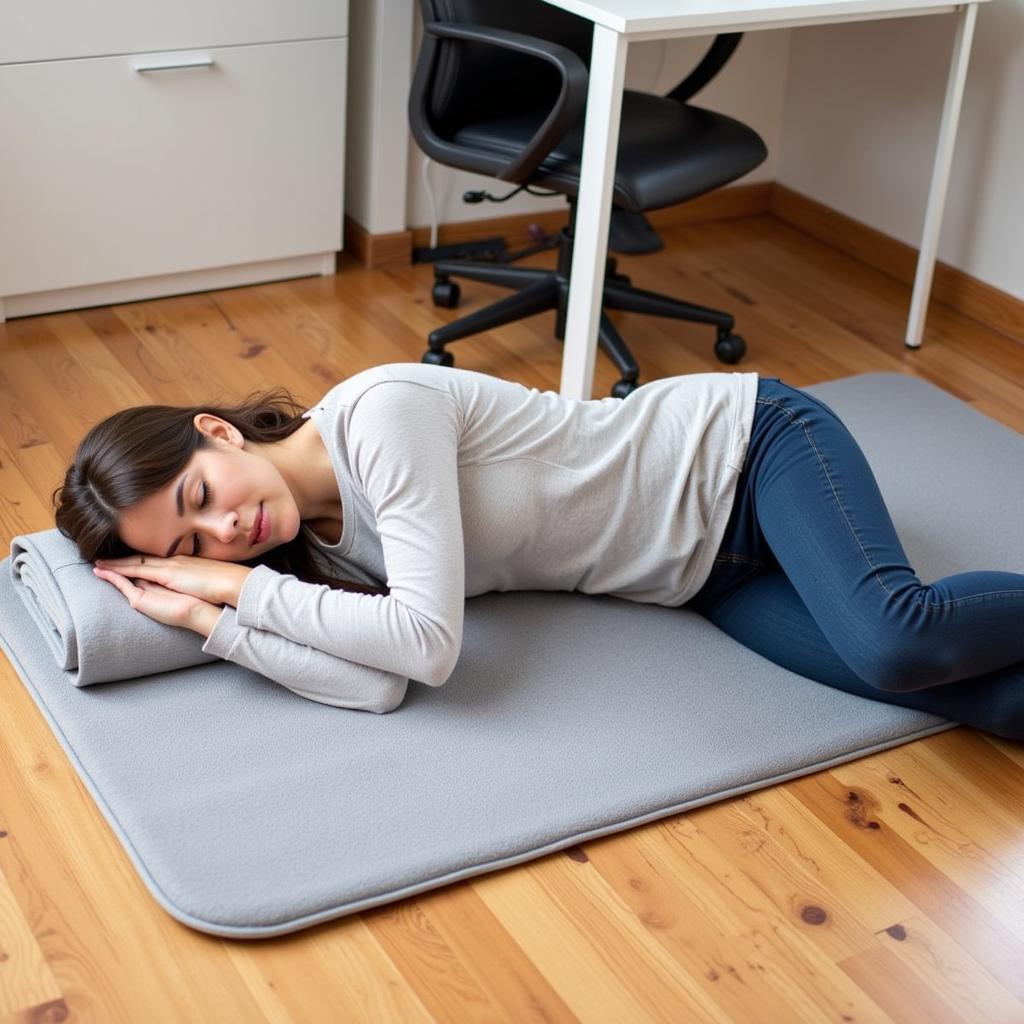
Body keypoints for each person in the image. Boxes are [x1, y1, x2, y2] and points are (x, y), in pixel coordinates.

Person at [53, 363, 1024, 737]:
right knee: (989, 703)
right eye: (190, 544)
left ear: (217, 433)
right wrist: (204, 623)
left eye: (200, 500)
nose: (226, 536)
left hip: (745, 450)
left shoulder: (379, 417)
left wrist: (230, 590)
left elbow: (426, 644)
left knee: (897, 639)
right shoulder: (324, 559)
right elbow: (379, 686)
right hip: (698, 577)